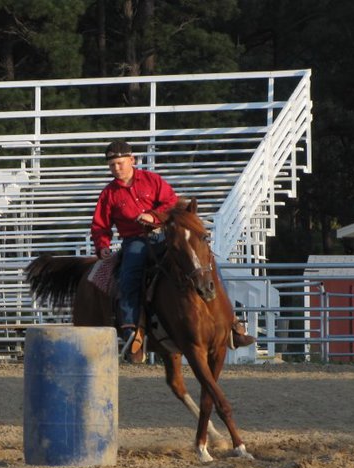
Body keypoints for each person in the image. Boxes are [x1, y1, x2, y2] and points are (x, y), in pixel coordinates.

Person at [90, 140, 255, 362]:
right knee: (129, 277)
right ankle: (132, 333)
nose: (116, 168)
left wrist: (154, 217)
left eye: (120, 163)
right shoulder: (109, 194)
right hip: (135, 241)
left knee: (206, 264)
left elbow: (171, 202)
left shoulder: (152, 180)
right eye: (112, 165)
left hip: (164, 234)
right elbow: (100, 225)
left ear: (132, 160)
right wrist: (102, 247)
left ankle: (232, 323)